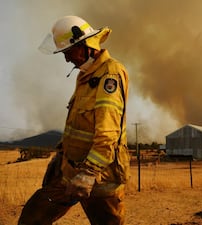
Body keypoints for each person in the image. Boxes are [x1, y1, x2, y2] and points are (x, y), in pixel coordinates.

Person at [18, 15, 130, 225]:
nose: (67, 59)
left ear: (86, 44)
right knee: (32, 218)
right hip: (69, 174)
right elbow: (77, 126)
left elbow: (108, 133)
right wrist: (60, 155)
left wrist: (89, 173)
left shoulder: (110, 75)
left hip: (99, 179)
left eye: (68, 52)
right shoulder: (86, 76)